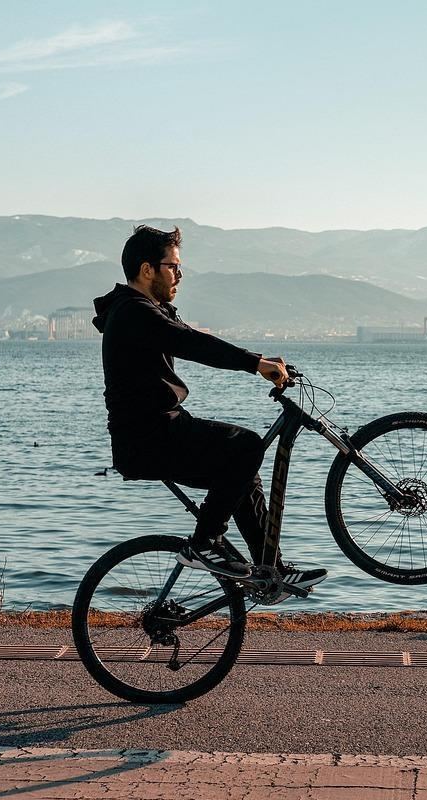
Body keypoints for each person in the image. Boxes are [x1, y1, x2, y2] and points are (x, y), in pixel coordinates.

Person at [91, 225, 326, 593]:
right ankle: (204, 545)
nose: (179, 275)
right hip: (148, 438)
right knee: (246, 446)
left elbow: (195, 338)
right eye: (173, 266)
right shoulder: (134, 313)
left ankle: (271, 569)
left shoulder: (147, 310)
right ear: (147, 269)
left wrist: (262, 360)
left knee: (243, 472)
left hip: (158, 430)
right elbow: (193, 344)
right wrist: (255, 364)